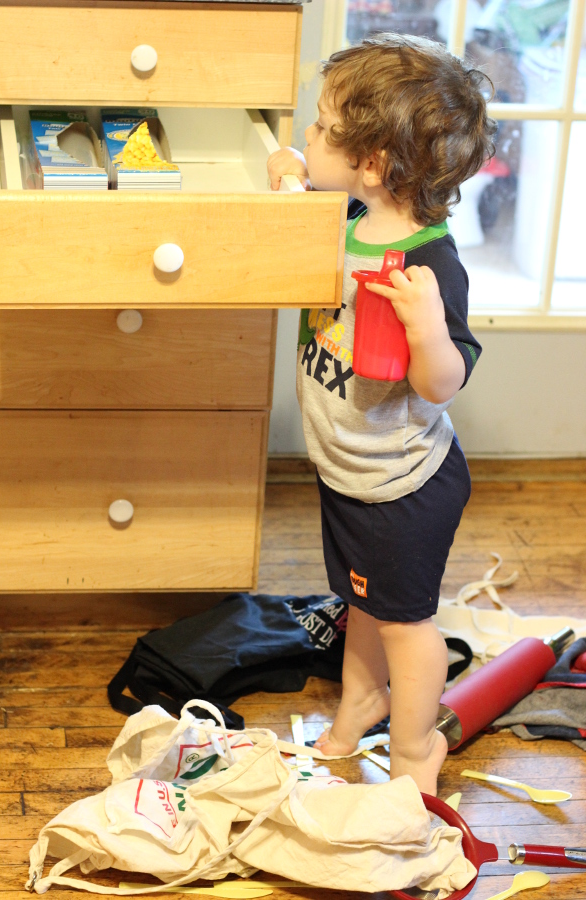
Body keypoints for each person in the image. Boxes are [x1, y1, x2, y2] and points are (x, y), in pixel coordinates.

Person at [267, 33, 496, 795]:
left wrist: (429, 327)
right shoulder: (351, 218)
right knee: (361, 599)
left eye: (324, 127)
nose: (309, 131)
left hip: (404, 490)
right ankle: (361, 702)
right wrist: (292, 170)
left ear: (372, 162)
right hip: (350, 473)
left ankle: (414, 749)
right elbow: (300, 181)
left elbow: (443, 383)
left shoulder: (430, 262)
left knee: (406, 625)